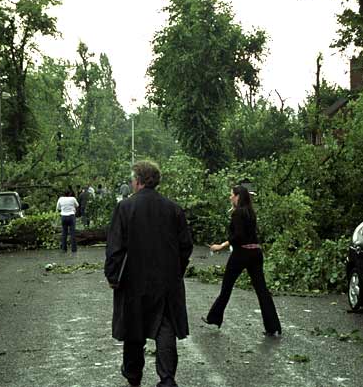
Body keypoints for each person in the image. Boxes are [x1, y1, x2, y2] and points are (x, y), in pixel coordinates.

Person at [105, 160, 193, 387]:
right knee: (165, 328)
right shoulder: (173, 209)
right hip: (165, 282)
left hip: (133, 281)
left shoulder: (125, 208)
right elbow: (186, 246)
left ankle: (133, 375)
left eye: (132, 179)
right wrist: (176, 271)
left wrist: (113, 276)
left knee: (134, 328)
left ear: (138, 180)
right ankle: (167, 378)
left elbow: (115, 247)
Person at [202, 185, 282, 336]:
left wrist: (221, 246)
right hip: (256, 252)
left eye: (231, 194)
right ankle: (273, 326)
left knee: (226, 287)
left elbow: (238, 236)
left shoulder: (238, 213)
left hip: (242, 253)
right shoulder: (250, 212)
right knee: (262, 290)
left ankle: (214, 318)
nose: (230, 197)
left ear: (238, 196)